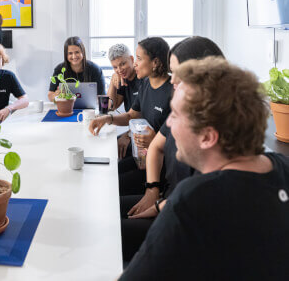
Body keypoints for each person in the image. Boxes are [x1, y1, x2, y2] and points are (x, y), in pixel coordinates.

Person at [121, 58, 289, 280]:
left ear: (208, 137)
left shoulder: (193, 199)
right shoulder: (283, 167)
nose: (168, 124)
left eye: (176, 115)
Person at [120, 36, 225, 262]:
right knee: (107, 212)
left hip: (182, 216)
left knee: (113, 234)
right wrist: (152, 190)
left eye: (180, 73)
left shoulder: (216, 128)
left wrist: (158, 206)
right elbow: (157, 146)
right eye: (172, 71)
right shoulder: (182, 107)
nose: (173, 79)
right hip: (166, 197)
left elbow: (200, 189)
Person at [89, 37, 172, 195]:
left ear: (155, 62)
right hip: (142, 156)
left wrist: (154, 140)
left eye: (139, 59)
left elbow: (176, 143)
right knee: (106, 176)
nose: (134, 64)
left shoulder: (171, 92)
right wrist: (108, 119)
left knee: (110, 187)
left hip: (159, 165)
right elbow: (132, 115)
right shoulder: (146, 85)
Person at [106, 43, 142, 159]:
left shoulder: (142, 79)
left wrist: (128, 135)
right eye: (115, 67)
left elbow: (140, 117)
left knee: (115, 151)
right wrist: (112, 80)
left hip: (143, 135)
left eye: (123, 64)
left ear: (132, 59)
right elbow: (110, 107)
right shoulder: (123, 79)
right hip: (133, 131)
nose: (119, 70)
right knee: (108, 144)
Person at [48, 36, 106, 101]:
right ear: (66, 55)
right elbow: (50, 95)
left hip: (89, 110)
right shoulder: (59, 69)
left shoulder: (95, 69)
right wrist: (56, 95)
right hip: (66, 107)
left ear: (83, 52)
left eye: (77, 52)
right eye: (70, 53)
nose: (74, 56)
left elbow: (103, 96)